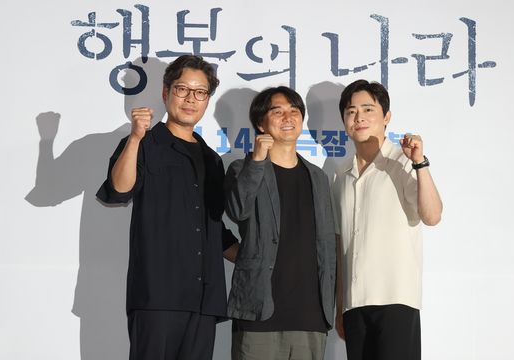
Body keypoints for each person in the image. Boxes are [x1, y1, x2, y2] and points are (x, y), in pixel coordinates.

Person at [96, 55, 238, 360]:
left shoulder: (212, 159)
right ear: (165, 92)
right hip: (157, 295)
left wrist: (258, 258)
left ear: (207, 99)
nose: (191, 99)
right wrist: (135, 137)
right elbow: (118, 191)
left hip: (204, 299)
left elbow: (215, 230)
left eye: (200, 92)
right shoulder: (145, 142)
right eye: (182, 89)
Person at [331, 80, 442, 360]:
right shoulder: (338, 175)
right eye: (351, 110)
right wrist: (340, 306)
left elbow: (432, 216)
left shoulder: (404, 162)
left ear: (386, 117)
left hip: (396, 300)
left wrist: (419, 162)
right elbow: (340, 246)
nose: (359, 117)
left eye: (368, 109)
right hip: (354, 305)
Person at [224, 86, 337, 360]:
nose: (288, 117)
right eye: (278, 111)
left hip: (310, 316)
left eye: (294, 111)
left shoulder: (318, 177)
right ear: (260, 122)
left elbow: (327, 247)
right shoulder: (242, 168)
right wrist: (257, 161)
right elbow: (238, 210)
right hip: (259, 310)